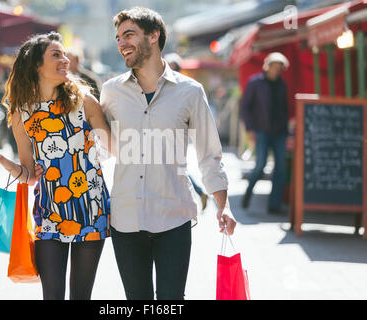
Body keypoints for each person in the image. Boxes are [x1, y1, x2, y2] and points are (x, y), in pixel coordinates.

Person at [100, 7, 236, 300]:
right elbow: (100, 150)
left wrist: (223, 205)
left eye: (129, 34)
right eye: (119, 37)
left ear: (154, 36)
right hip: (125, 218)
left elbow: (209, 154)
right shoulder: (110, 92)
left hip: (173, 216)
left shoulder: (190, 91)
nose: (122, 42)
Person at [0, 32, 112, 300]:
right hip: (49, 213)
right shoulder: (22, 113)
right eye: (56, 55)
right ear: (36, 65)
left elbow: (112, 148)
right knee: (52, 295)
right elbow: (29, 175)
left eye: (64, 54)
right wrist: (2, 160)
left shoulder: (84, 101)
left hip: (91, 209)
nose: (65, 60)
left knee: (81, 296)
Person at [239, 52, 289, 213]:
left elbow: (284, 110)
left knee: (281, 168)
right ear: (267, 66)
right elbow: (245, 107)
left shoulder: (282, 85)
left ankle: (274, 205)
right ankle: (248, 193)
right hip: (261, 130)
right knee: (260, 165)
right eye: (274, 67)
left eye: (279, 68)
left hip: (279, 132)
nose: (276, 70)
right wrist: (250, 129)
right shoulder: (255, 83)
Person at [164, 52, 209, 211]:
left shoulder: (183, 87)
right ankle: (199, 191)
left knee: (176, 167)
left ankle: (197, 192)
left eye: (174, 67)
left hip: (174, 135)